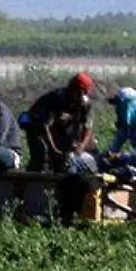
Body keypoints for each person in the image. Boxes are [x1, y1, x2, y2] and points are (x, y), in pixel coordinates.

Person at [23, 72, 100, 223]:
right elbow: (45, 127)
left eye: (82, 92)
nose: (78, 95)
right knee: (42, 155)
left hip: (62, 131)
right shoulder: (56, 99)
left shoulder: (85, 103)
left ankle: (63, 203)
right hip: (37, 126)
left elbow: (87, 127)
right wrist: (53, 150)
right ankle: (29, 198)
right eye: (76, 91)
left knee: (69, 159)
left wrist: (81, 146)